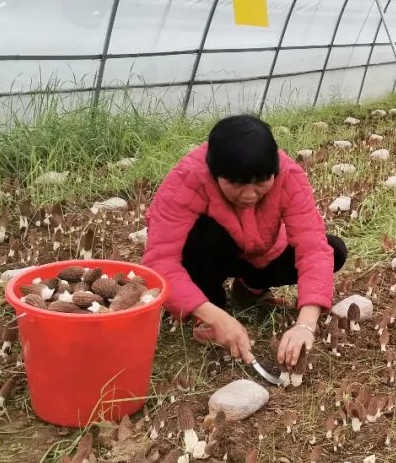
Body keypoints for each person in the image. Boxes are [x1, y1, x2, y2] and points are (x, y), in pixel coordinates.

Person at [143, 115, 346, 368]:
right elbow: (161, 260)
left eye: (262, 182)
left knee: (333, 249)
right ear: (214, 174)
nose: (250, 194)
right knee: (202, 233)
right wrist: (215, 317)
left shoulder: (289, 175)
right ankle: (208, 305)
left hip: (261, 252)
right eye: (237, 184)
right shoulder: (188, 178)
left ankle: (249, 287)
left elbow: (313, 248)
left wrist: (305, 324)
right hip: (211, 254)